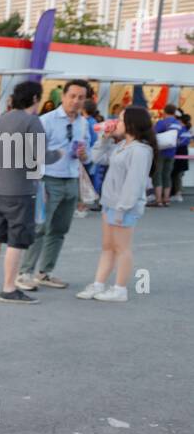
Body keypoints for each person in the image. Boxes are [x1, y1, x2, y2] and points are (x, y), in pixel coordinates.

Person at [0, 80, 59, 304]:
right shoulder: (31, 121)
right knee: (16, 240)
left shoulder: (1, 118)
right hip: (22, 191)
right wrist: (62, 154)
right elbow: (42, 155)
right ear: (35, 98)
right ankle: (9, 288)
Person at [17, 78, 90, 291]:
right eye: (72, 96)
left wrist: (84, 155)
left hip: (71, 179)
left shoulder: (83, 123)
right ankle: (24, 272)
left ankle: (45, 272)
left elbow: (87, 154)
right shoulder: (46, 120)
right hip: (48, 179)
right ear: (63, 97)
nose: (76, 101)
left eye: (81, 97)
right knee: (40, 227)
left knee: (60, 229)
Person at [75, 108, 155, 303]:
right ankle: (99, 284)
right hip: (109, 203)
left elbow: (134, 183)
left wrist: (122, 208)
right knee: (108, 247)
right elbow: (96, 158)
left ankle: (120, 288)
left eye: (120, 120)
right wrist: (104, 138)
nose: (116, 123)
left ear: (131, 124)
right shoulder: (121, 146)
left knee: (122, 248)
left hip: (123, 206)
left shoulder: (140, 150)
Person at [151, 103, 180, 207]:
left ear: (165, 111)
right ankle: (166, 199)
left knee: (157, 175)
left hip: (161, 152)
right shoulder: (178, 123)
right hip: (172, 152)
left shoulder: (162, 122)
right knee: (167, 176)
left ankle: (158, 200)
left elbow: (153, 133)